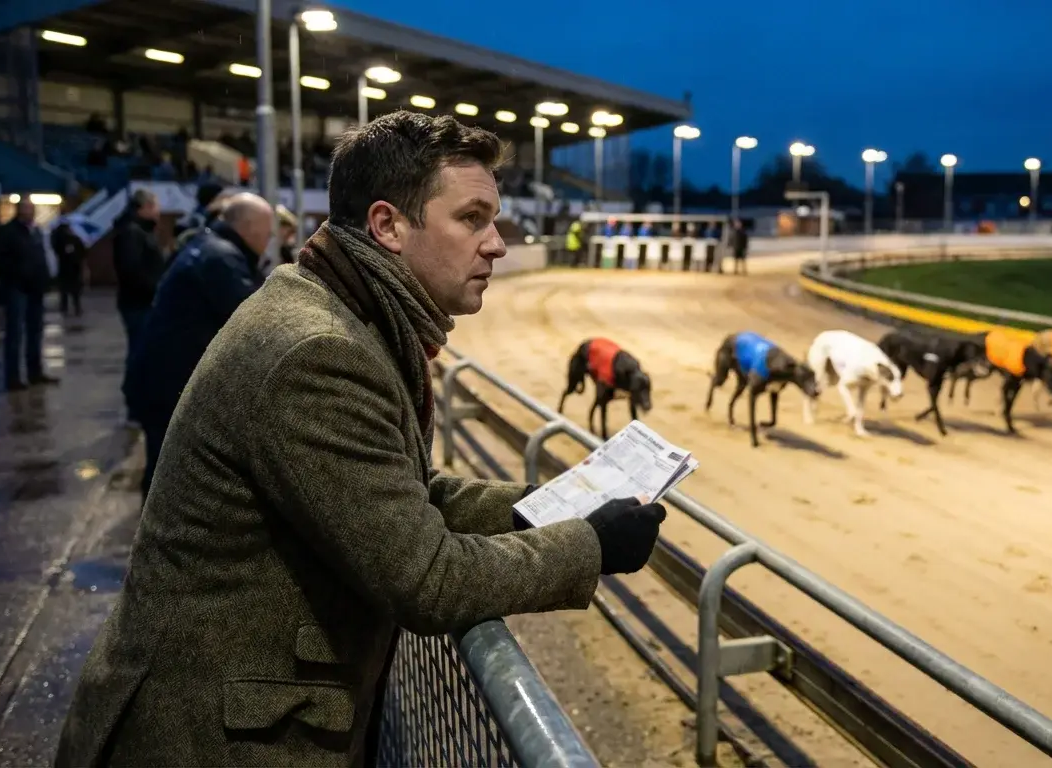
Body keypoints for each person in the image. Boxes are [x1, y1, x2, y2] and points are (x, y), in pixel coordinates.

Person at [55, 111, 667, 766]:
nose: (497, 243)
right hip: (204, 738)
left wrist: (544, 508)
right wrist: (586, 545)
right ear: (387, 226)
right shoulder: (320, 351)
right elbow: (426, 579)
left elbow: (400, 489)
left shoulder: (336, 310)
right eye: (472, 218)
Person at [127, 192, 274, 504]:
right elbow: (254, 319)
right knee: (166, 478)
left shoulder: (210, 247)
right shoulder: (221, 259)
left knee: (166, 470)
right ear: (249, 229)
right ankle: (158, 547)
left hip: (161, 379)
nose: (269, 240)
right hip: (167, 386)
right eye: (267, 232)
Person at [0, 200, 57, 390]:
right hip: (16, 288)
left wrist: (45, 279)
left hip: (35, 287)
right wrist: (15, 274)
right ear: (19, 211)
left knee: (35, 332)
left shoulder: (35, 231)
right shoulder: (8, 232)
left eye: (32, 209)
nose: (31, 212)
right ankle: (13, 378)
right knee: (15, 334)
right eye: (27, 209)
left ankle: (35, 372)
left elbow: (41, 256)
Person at [112, 188, 165, 424]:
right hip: (137, 303)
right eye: (155, 206)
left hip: (140, 301)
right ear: (143, 208)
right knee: (138, 353)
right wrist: (155, 289)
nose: (159, 211)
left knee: (141, 352)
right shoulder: (132, 233)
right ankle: (134, 403)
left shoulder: (139, 231)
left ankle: (137, 400)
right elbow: (132, 271)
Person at [51, 219, 87, 317]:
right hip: (73, 267)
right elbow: (82, 252)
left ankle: (66, 307)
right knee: (73, 290)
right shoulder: (73, 239)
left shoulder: (60, 239)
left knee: (66, 290)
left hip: (66, 267)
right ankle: (75, 307)